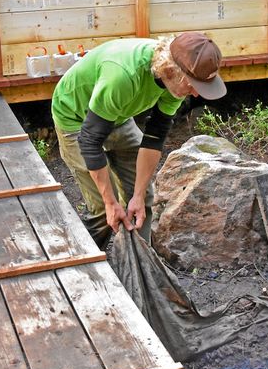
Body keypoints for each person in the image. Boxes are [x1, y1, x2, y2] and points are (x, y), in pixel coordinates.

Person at [51, 33, 227, 248]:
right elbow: (90, 141)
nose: (196, 95)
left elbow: (155, 137)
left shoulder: (174, 83)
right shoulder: (123, 76)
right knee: (101, 208)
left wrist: (138, 195)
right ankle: (86, 262)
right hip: (75, 117)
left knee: (142, 199)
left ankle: (141, 265)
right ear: (172, 71)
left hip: (118, 115)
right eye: (193, 86)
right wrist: (110, 203)